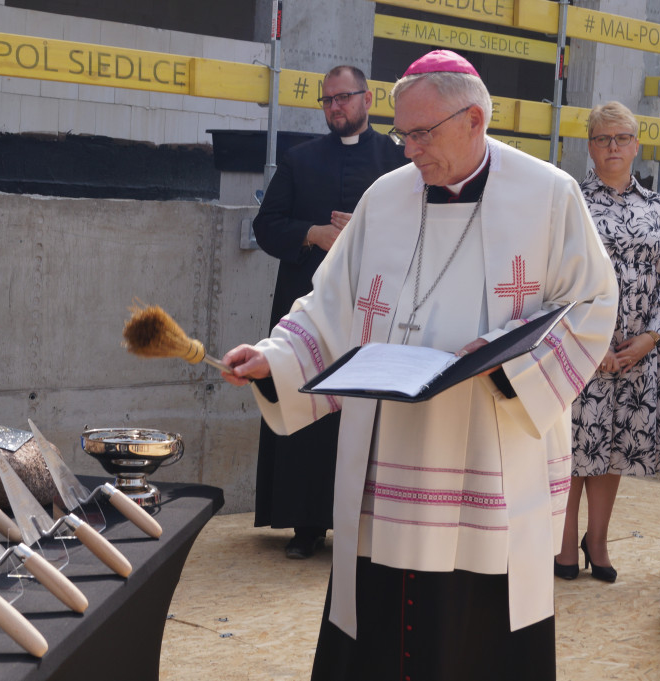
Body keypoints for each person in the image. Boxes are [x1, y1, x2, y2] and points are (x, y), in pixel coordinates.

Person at [221, 50, 618, 680]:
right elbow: (331, 304)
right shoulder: (387, 198)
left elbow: (593, 306)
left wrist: (501, 361)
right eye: (402, 133)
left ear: (475, 120)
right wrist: (275, 359)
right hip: (390, 455)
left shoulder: (547, 194)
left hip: (491, 456)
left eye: (422, 134)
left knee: (474, 624)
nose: (408, 150)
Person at [251, 65, 407, 559]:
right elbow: (266, 225)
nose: (335, 108)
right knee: (309, 407)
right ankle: (306, 524)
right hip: (309, 304)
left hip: (378, 309)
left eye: (344, 98)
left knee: (367, 412)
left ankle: (366, 523)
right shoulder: (299, 160)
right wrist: (312, 234)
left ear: (368, 98)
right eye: (327, 101)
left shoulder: (399, 159)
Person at [556, 101, 660, 583]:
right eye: (603, 138)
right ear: (589, 146)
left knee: (612, 449)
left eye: (622, 138)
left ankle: (599, 539)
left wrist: (649, 339)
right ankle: (566, 541)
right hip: (582, 350)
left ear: (636, 145)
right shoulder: (571, 201)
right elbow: (560, 279)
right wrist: (592, 344)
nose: (613, 147)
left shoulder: (657, 207)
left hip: (637, 355)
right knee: (574, 447)